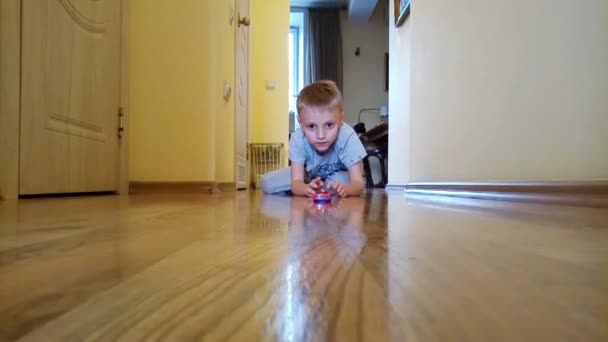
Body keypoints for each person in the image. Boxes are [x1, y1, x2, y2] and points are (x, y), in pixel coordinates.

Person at [261, 80, 367, 197]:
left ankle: (323, 187)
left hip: (338, 175)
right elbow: (296, 182)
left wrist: (346, 189)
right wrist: (305, 188)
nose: (321, 135)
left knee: (337, 181)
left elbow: (358, 183)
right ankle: (317, 187)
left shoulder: (347, 136)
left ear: (340, 120)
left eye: (329, 125)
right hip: (307, 176)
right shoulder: (298, 139)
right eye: (311, 126)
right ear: (301, 123)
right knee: (267, 183)